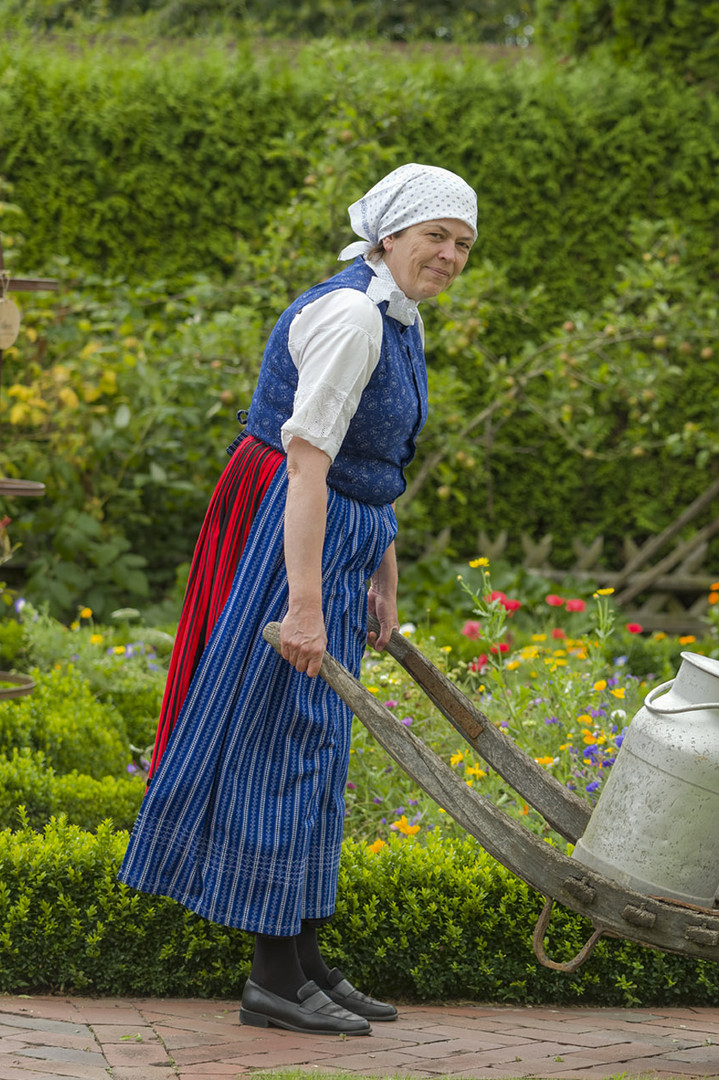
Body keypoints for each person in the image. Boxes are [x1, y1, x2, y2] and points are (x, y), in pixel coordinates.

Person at [119, 164, 478, 1036]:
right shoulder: (356, 317)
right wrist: (308, 604)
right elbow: (308, 464)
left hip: (338, 532)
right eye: (436, 235)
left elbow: (369, 457)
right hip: (291, 533)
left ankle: (306, 959)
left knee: (316, 744)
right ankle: (273, 978)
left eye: (463, 243)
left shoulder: (397, 313)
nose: (450, 254)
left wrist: (383, 565)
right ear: (388, 233)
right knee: (283, 741)